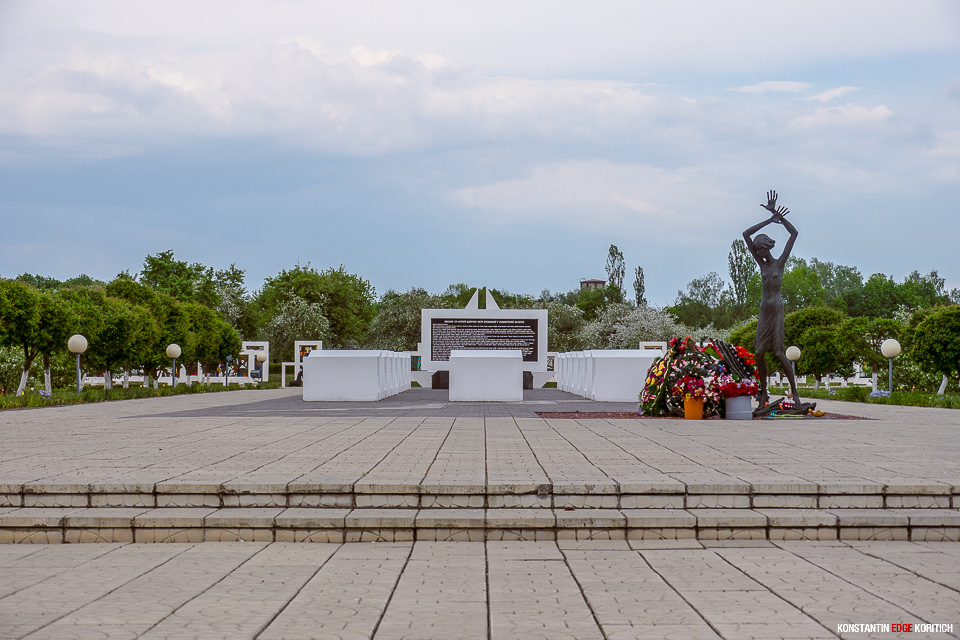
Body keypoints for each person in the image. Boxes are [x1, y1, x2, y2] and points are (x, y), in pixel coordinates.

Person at [743, 190, 800, 407]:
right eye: (757, 251)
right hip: (763, 311)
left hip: (776, 310)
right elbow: (745, 235)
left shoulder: (778, 264)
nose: (758, 253)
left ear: (766, 247)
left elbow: (794, 234)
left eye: (760, 249)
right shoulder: (762, 265)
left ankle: (795, 395)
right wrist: (769, 218)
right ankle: (763, 393)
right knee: (759, 352)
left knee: (778, 352)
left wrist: (780, 216)